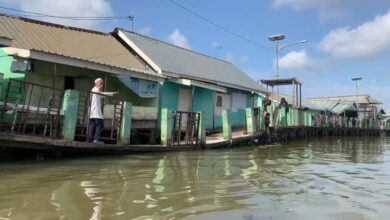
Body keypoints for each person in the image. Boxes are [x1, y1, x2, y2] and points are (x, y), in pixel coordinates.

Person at [87, 78, 117, 143]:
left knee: (92, 126)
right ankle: (96, 139)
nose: (102, 85)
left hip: (92, 112)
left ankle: (90, 140)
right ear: (97, 83)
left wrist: (111, 94)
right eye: (100, 83)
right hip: (95, 112)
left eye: (102, 84)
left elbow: (102, 95)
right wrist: (111, 94)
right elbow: (102, 94)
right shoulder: (95, 90)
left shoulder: (95, 91)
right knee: (100, 125)